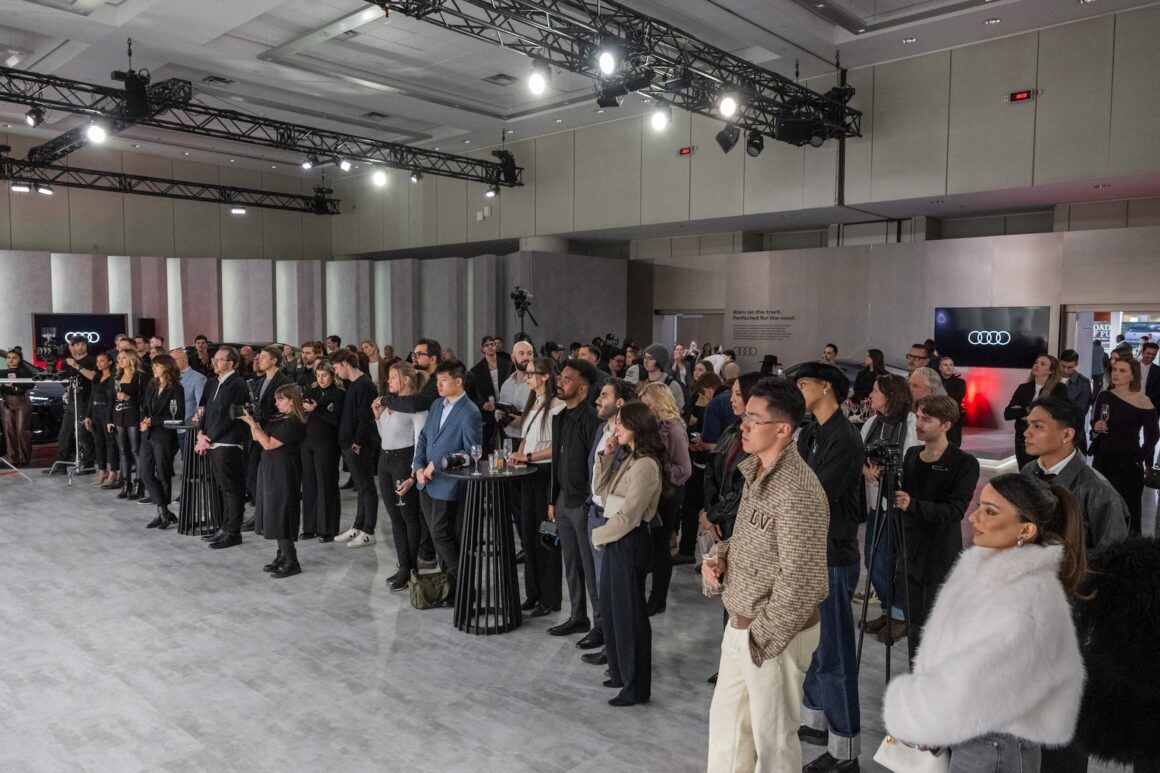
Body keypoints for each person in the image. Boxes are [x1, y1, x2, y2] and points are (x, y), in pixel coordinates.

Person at [883, 473, 1087, 771]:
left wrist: (922, 716)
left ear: (1026, 529)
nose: (974, 517)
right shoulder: (988, 570)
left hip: (993, 746)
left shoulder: (1024, 595)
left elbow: (978, 681)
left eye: (990, 511)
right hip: (975, 738)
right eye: (979, 505)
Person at [702, 378, 829, 771]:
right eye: (744, 417)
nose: (742, 426)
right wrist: (720, 556)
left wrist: (761, 638)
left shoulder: (798, 490)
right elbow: (750, 540)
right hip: (742, 625)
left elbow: (801, 581)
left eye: (753, 419)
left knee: (772, 746)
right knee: (727, 732)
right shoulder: (758, 470)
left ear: (783, 429)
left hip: (772, 635)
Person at [794, 364, 866, 773]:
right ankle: (817, 721)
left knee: (836, 652)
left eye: (804, 384)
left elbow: (813, 494)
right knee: (814, 647)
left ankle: (846, 750)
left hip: (833, 556)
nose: (799, 391)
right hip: (810, 551)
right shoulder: (813, 431)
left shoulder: (845, 437)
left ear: (826, 387)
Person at [591, 401, 667, 707]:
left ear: (636, 426)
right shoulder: (629, 457)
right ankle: (621, 672)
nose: (615, 428)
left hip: (630, 540)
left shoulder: (647, 464)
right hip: (616, 538)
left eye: (621, 423)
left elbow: (631, 516)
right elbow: (602, 491)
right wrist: (605, 457)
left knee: (629, 615)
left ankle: (636, 686)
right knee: (611, 609)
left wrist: (598, 536)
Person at [892, 395, 979, 661]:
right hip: (908, 551)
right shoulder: (910, 455)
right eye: (918, 417)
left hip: (940, 553)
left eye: (927, 419)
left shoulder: (964, 463)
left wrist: (913, 505)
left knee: (938, 625)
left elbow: (955, 511)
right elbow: (899, 499)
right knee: (915, 622)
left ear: (946, 425)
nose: (919, 424)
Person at [412, 360, 483, 597]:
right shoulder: (436, 405)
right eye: (437, 380)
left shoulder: (470, 411)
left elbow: (472, 453)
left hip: (448, 482)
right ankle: (450, 587)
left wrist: (439, 463)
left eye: (444, 380)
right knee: (436, 535)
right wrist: (419, 465)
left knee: (442, 533)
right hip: (426, 481)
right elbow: (424, 437)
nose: (439, 384)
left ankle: (465, 584)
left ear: (458, 382)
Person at [545, 359, 603, 640]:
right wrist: (551, 500)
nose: (560, 382)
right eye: (561, 378)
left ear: (583, 387)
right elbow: (556, 461)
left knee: (589, 566)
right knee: (570, 562)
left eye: (567, 379)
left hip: (582, 501)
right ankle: (577, 616)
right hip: (562, 499)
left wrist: (590, 503)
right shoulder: (559, 417)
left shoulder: (592, 420)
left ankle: (600, 625)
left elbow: (595, 466)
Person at [1023, 396, 1128, 550]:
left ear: (1067, 435)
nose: (1026, 433)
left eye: (1037, 426)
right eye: (1028, 425)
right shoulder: (1028, 471)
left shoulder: (1099, 492)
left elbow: (1112, 560)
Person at [582, 378, 638, 668]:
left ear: (619, 403)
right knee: (598, 582)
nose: (597, 400)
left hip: (613, 517)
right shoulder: (601, 431)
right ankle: (603, 635)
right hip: (594, 509)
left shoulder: (630, 440)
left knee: (612, 587)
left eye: (603, 395)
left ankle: (615, 651)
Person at [861, 374, 918, 635]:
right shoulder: (872, 422)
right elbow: (857, 456)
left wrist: (888, 472)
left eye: (875, 391)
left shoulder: (911, 423)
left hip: (898, 501)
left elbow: (912, 460)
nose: (870, 395)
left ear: (891, 395)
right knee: (873, 559)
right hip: (875, 501)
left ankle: (899, 613)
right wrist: (866, 470)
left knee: (892, 560)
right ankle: (888, 609)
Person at [510, 356, 565, 617]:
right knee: (529, 534)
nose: (527, 377)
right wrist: (519, 455)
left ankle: (551, 597)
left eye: (532, 373)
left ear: (545, 376)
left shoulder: (557, 405)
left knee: (547, 537)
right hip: (528, 473)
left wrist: (529, 457)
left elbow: (557, 447)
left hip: (546, 475)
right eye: (527, 373)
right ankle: (533, 593)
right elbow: (525, 438)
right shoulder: (533, 402)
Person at [243, 384, 308, 578]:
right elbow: (258, 437)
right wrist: (253, 424)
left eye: (280, 399)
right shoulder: (281, 418)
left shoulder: (295, 422)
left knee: (282, 512)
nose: (276, 403)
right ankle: (282, 554)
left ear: (291, 400)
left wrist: (252, 424)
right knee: (273, 510)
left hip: (284, 470)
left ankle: (291, 560)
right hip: (271, 468)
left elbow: (268, 443)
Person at [372, 361, 427, 591]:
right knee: (394, 517)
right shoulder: (389, 405)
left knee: (408, 516)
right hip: (385, 461)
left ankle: (410, 567)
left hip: (404, 461)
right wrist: (377, 417)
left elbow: (420, 442)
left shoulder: (416, 408)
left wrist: (413, 474)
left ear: (405, 380)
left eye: (393, 378)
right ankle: (403, 564)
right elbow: (385, 436)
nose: (389, 382)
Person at [1090, 357, 1159, 536]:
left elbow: (1153, 436)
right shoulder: (1105, 395)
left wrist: (1139, 458)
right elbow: (1095, 424)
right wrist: (1096, 427)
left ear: (1132, 375)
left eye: (1122, 371)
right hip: (1102, 459)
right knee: (1100, 505)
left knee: (1129, 507)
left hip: (1128, 463)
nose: (1116, 374)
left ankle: (1129, 551)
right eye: (1114, 370)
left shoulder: (1143, 401)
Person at [639, 381, 691, 615]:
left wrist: (657, 470)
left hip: (668, 494)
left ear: (659, 404)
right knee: (650, 545)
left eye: (648, 405)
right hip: (652, 491)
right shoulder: (651, 427)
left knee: (660, 547)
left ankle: (657, 599)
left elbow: (685, 469)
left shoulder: (673, 429)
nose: (645, 410)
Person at [195, 346, 250, 550]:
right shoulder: (212, 383)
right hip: (211, 441)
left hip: (228, 442)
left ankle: (233, 531)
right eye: (214, 359)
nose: (215, 362)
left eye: (220, 359)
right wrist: (201, 432)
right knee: (221, 488)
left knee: (231, 489)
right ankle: (224, 527)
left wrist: (207, 439)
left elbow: (228, 417)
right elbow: (205, 411)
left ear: (232, 363)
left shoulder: (237, 384)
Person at [332, 350, 381, 548]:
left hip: (359, 444)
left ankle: (369, 531)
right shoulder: (354, 384)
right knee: (361, 487)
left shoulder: (365, 384)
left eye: (336, 367)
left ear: (345, 363)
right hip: (349, 442)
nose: (336, 372)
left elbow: (366, 417)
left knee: (367, 487)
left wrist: (358, 442)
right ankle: (358, 526)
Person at [138, 354, 185, 529]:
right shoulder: (152, 384)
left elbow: (178, 416)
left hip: (164, 436)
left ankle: (161, 513)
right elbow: (145, 408)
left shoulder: (176, 388)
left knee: (163, 473)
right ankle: (164, 510)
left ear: (166, 366)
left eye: (157, 365)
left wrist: (153, 421)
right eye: (153, 365)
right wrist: (144, 420)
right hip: (147, 434)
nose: (153, 368)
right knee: (145, 472)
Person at [300, 360, 344, 543]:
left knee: (326, 484)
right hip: (307, 442)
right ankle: (310, 526)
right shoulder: (311, 392)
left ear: (332, 375)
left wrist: (317, 409)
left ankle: (328, 529)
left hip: (327, 444)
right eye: (318, 376)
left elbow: (336, 420)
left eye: (324, 375)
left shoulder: (339, 394)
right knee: (309, 484)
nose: (321, 379)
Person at [1005, 354, 1068, 470]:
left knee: (1043, 473)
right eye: (1036, 362)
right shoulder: (1023, 388)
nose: (1037, 365)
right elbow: (1008, 414)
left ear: (1051, 371)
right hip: (1023, 438)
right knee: (1025, 472)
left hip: (1046, 439)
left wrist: (1023, 411)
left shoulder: (1059, 389)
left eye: (1042, 364)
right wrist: (1029, 411)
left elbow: (1057, 413)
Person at [51, 336, 96, 473]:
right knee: (64, 433)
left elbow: (94, 377)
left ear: (84, 346)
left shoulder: (91, 360)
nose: (77, 347)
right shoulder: (67, 362)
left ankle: (88, 464)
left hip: (85, 400)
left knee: (83, 433)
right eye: (72, 345)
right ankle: (62, 464)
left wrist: (77, 366)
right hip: (71, 400)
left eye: (81, 344)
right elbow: (64, 381)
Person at [112, 349, 147, 500]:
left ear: (131, 359)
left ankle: (139, 484)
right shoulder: (117, 376)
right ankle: (126, 484)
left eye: (124, 358)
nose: (120, 360)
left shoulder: (140, 376)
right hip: (118, 416)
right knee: (122, 450)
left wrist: (129, 398)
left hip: (133, 415)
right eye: (119, 358)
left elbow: (145, 398)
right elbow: (110, 400)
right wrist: (109, 419)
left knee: (135, 450)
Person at [468, 335, 513, 452]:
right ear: (482, 349)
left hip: (506, 408)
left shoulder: (507, 365)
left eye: (492, 344)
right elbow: (472, 395)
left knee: (508, 440)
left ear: (496, 346)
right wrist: (482, 404)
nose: (490, 347)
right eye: (486, 345)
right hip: (488, 413)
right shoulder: (475, 371)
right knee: (489, 443)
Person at [86, 352, 120, 486]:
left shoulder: (114, 377)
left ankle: (114, 471)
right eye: (97, 361)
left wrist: (109, 417)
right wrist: (88, 415)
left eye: (102, 361)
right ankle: (102, 470)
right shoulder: (97, 377)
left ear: (110, 362)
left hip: (107, 411)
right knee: (98, 442)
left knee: (111, 443)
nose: (99, 363)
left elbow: (111, 397)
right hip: (95, 412)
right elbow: (92, 397)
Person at [1, 348, 37, 466]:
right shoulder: (2, 372)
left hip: (21, 403)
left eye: (14, 358)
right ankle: (13, 459)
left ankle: (24, 458)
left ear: (20, 359)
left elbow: (31, 384)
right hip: (6, 403)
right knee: (9, 431)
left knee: (22, 431)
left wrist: (15, 383)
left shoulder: (25, 372)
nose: (11, 360)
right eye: (9, 357)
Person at [637, 343, 686, 412]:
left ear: (660, 361)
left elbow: (677, 411)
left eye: (650, 358)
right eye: (644, 357)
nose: (646, 361)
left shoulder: (671, 385)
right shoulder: (641, 381)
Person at [938, 356, 967, 447]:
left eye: (951, 365)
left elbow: (957, 397)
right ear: (940, 367)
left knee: (954, 445)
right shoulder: (935, 382)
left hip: (954, 419)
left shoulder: (960, 382)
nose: (948, 367)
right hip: (937, 417)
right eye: (945, 365)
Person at [1140, 341, 1160, 409]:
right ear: (1142, 352)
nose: (1151, 356)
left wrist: (1145, 400)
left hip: (1151, 406)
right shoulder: (1132, 367)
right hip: (1131, 404)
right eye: (1148, 353)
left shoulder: (1158, 370)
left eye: (1154, 354)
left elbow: (1158, 391)